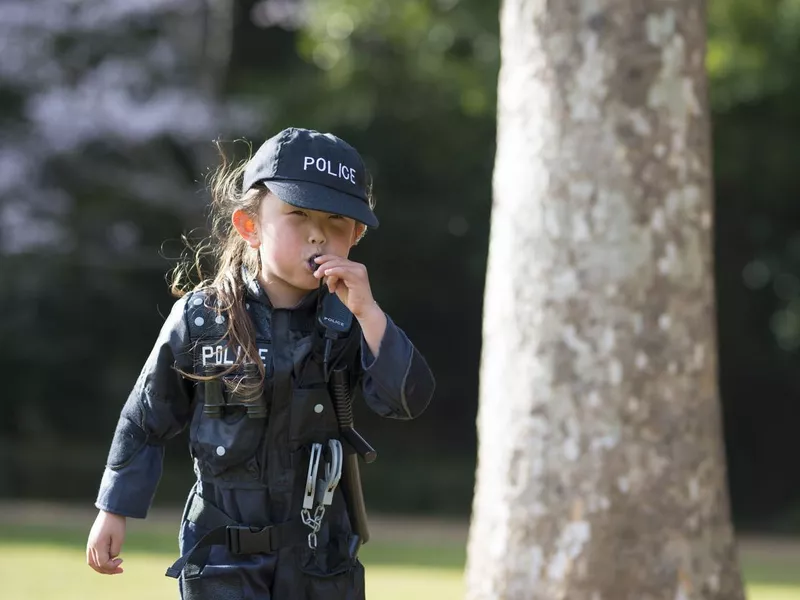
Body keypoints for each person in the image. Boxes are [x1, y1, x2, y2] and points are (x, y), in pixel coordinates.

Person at [85, 127, 435, 599]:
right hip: (221, 558)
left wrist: (370, 315)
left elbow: (406, 400)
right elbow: (146, 420)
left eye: (336, 221)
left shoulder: (355, 319)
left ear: (355, 235)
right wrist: (113, 509)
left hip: (320, 561)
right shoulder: (201, 316)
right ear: (250, 226)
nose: (318, 233)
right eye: (298, 214)